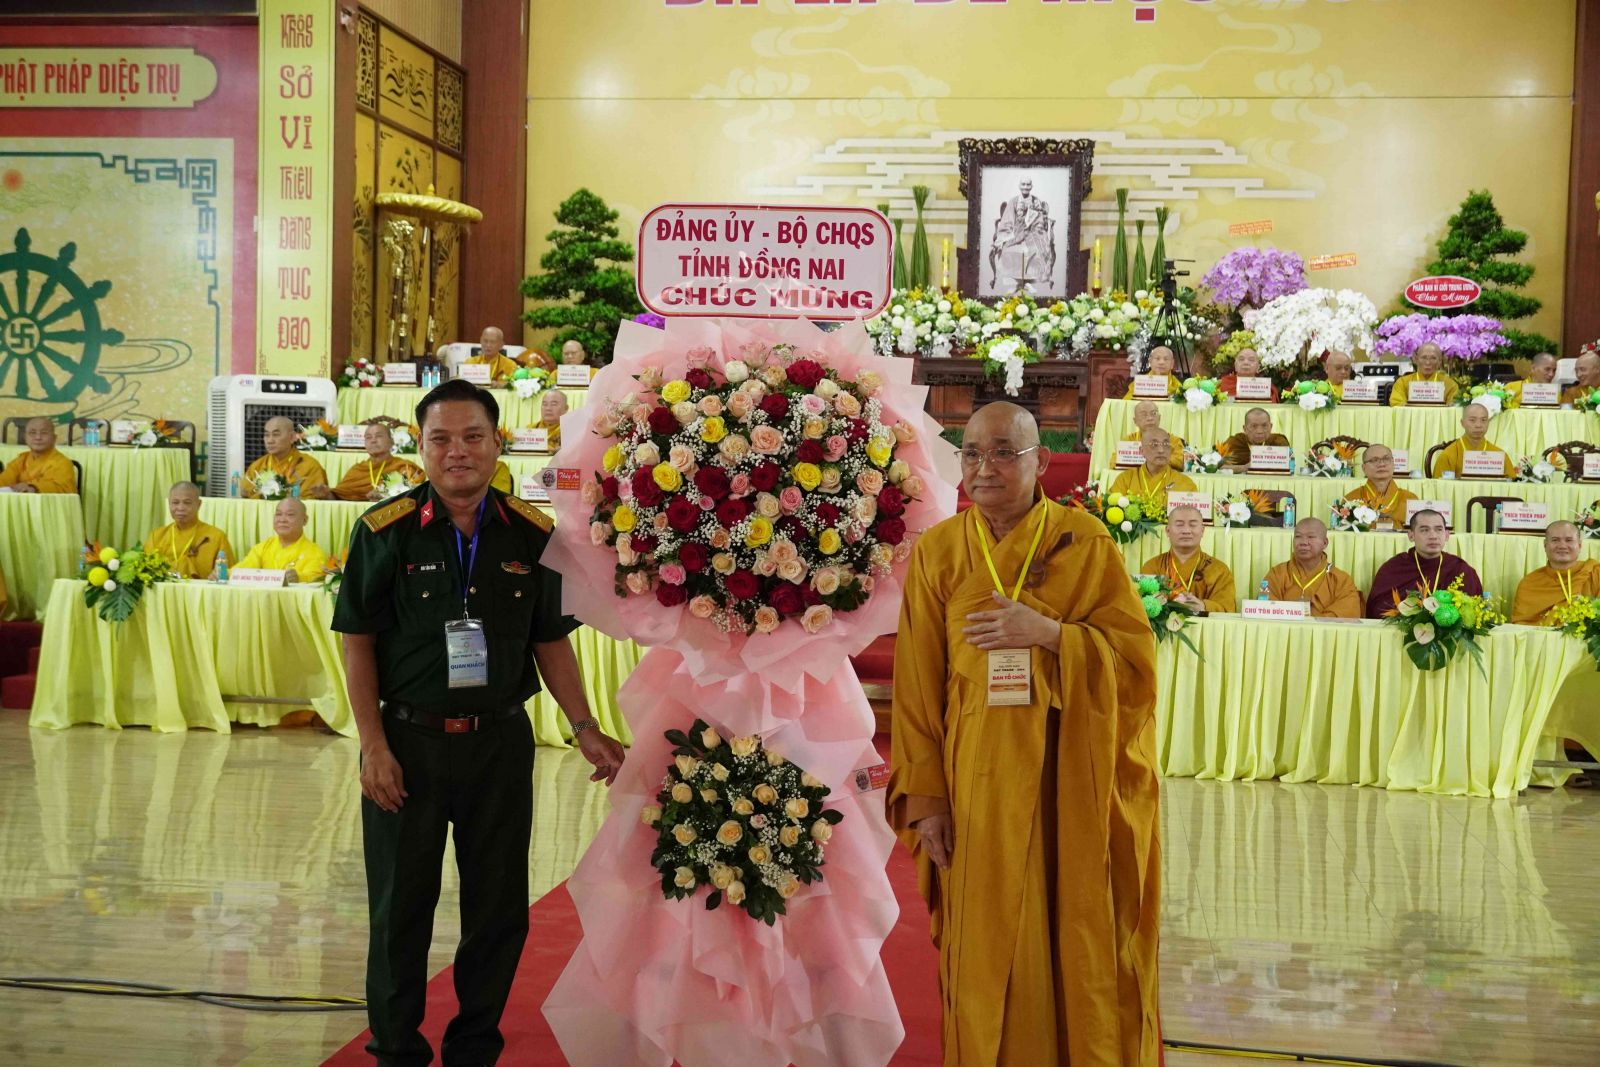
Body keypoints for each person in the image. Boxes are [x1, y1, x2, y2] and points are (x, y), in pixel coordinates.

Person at [333, 378, 626, 1067]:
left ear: (499, 442)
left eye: (472, 437)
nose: (457, 451)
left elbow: (550, 640)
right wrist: (372, 746)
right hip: (407, 743)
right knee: (399, 908)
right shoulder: (383, 530)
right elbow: (357, 641)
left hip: (498, 743)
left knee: (498, 909)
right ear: (421, 447)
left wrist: (584, 725)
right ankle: (397, 1049)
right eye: (441, 439)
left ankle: (474, 1047)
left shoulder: (532, 533)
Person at [887, 401, 1160, 1067]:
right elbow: (916, 685)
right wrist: (927, 801)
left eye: (1004, 452)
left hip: (1068, 776)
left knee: (1077, 926)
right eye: (972, 453)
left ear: (1041, 462)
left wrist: (1053, 635)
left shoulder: (1084, 542)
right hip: (975, 781)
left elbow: (1135, 665)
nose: (985, 468)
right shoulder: (939, 551)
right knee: (984, 940)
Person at [1364, 509, 1483, 618]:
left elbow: (1474, 611)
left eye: (1439, 530)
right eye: (1425, 530)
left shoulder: (1459, 569)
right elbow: (1378, 610)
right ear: (1411, 535)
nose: (1433, 536)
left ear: (1447, 535)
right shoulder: (1394, 568)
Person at [1142, 505, 1236, 614]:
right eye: (1179, 524)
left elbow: (1227, 609)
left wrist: (1204, 606)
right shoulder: (1153, 566)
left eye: (1193, 525)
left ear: (1202, 530)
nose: (1186, 530)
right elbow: (1142, 606)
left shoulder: (1219, 570)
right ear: (1167, 531)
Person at [1263, 518, 1362, 618]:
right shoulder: (1277, 574)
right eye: (1298, 536)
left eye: (1310, 537)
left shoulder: (1341, 580)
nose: (1303, 542)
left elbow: (1349, 611)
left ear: (1325, 543)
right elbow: (1264, 605)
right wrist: (1293, 612)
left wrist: (1312, 619)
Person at [1510, 521, 1600, 625]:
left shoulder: (1595, 573)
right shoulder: (1529, 583)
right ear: (1545, 545)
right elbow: (1521, 625)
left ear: (1579, 545)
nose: (1562, 546)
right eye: (1555, 540)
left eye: (1569, 540)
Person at [146, 481, 235, 579]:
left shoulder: (216, 536)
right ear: (169, 504)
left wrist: (218, 575)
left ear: (199, 504)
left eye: (187, 503)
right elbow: (145, 571)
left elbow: (228, 573)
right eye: (175, 502)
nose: (180, 508)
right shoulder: (157, 536)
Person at [233, 497, 328, 584]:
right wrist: (226, 573)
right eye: (278, 514)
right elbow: (242, 570)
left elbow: (316, 576)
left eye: (290, 515)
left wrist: (299, 577)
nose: (282, 520)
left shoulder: (315, 552)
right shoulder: (263, 547)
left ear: (305, 520)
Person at [330, 423, 426, 502]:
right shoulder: (357, 469)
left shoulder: (403, 466)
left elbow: (413, 485)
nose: (373, 440)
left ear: (391, 441)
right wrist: (328, 494)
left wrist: (384, 493)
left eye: (379, 436)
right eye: (368, 437)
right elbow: (340, 494)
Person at [240, 416, 328, 499]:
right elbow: (245, 493)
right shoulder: (257, 466)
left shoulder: (310, 466)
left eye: (276, 435)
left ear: (292, 437)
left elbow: (315, 501)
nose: (270, 440)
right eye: (266, 435)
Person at [1109, 428, 1196, 510]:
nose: (1161, 450)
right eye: (1154, 445)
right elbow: (1112, 510)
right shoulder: (1125, 479)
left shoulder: (1185, 483)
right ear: (1142, 451)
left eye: (1166, 444)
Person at [1340, 445, 1417, 531]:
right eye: (1374, 460)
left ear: (1393, 464)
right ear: (1364, 468)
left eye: (1386, 459)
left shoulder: (1410, 499)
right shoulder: (1350, 500)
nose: (1381, 464)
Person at [1430, 403, 1515, 479]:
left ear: (1488, 423)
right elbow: (1441, 487)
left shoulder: (1500, 456)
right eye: (1472, 420)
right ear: (1462, 423)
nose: (1478, 425)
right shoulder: (1448, 455)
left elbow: (1511, 486)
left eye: (1483, 420)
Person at [0, 417, 76, 493]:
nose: (38, 437)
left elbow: (63, 488)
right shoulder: (20, 461)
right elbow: (4, 481)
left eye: (44, 433)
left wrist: (33, 487)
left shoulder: (62, 463)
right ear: (25, 438)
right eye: (32, 433)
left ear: (54, 438)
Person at [1219, 407, 1290, 472]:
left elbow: (1289, 465)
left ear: (1271, 427)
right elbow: (1216, 465)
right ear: (1245, 429)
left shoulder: (1278, 441)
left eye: (1264, 426)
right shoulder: (1234, 443)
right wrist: (1243, 468)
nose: (1260, 431)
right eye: (1254, 426)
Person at [1389, 342, 1459, 406]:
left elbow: (1455, 406)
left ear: (1440, 362)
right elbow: (1396, 403)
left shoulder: (1450, 385)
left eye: (1433, 358)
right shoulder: (1402, 382)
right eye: (1424, 357)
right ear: (1416, 359)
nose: (1428, 362)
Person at [1120, 399, 1185, 468]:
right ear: (1135, 421)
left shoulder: (1173, 440)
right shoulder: (1129, 440)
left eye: (1153, 413)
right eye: (1144, 415)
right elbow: (1115, 460)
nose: (1150, 418)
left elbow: (1180, 461)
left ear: (1159, 418)